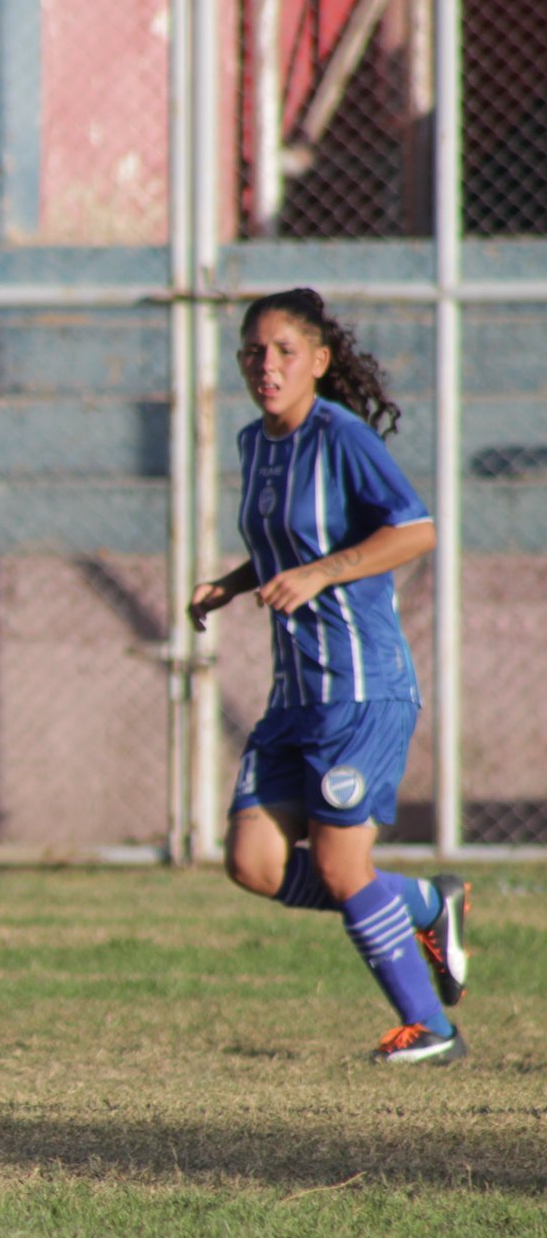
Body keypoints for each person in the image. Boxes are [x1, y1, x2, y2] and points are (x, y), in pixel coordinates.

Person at [188, 287, 469, 1065]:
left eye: (284, 351)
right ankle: (421, 902)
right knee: (253, 863)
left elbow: (413, 529)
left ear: (318, 360)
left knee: (344, 868)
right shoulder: (254, 443)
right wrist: (234, 582)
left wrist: (321, 574)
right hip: (294, 698)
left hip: (361, 691)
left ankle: (432, 1029)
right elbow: (287, 542)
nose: (266, 366)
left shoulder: (340, 436)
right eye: (253, 351)